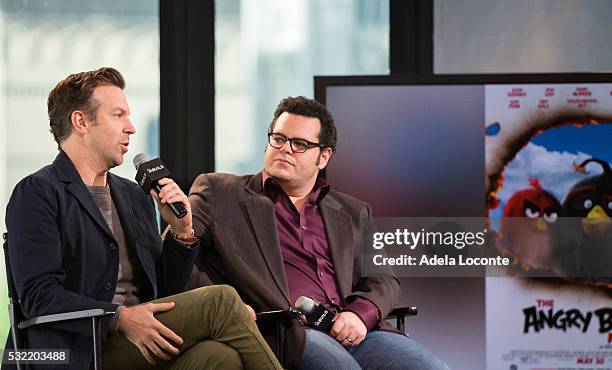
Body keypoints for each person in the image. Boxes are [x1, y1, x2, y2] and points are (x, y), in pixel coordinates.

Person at [4, 67, 282, 370]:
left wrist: (181, 232)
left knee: (220, 358)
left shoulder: (133, 196)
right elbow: (38, 296)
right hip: (79, 349)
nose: (131, 128)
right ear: (80, 121)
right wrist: (120, 317)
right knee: (222, 301)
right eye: (118, 115)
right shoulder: (37, 193)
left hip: (142, 340)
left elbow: (164, 287)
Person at [187, 96, 450, 369]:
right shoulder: (220, 192)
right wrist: (227, 307)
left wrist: (360, 315)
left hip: (355, 332)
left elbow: (383, 279)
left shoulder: (353, 211)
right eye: (278, 138)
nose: (285, 149)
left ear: (323, 156)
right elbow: (179, 260)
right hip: (287, 330)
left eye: (299, 144)